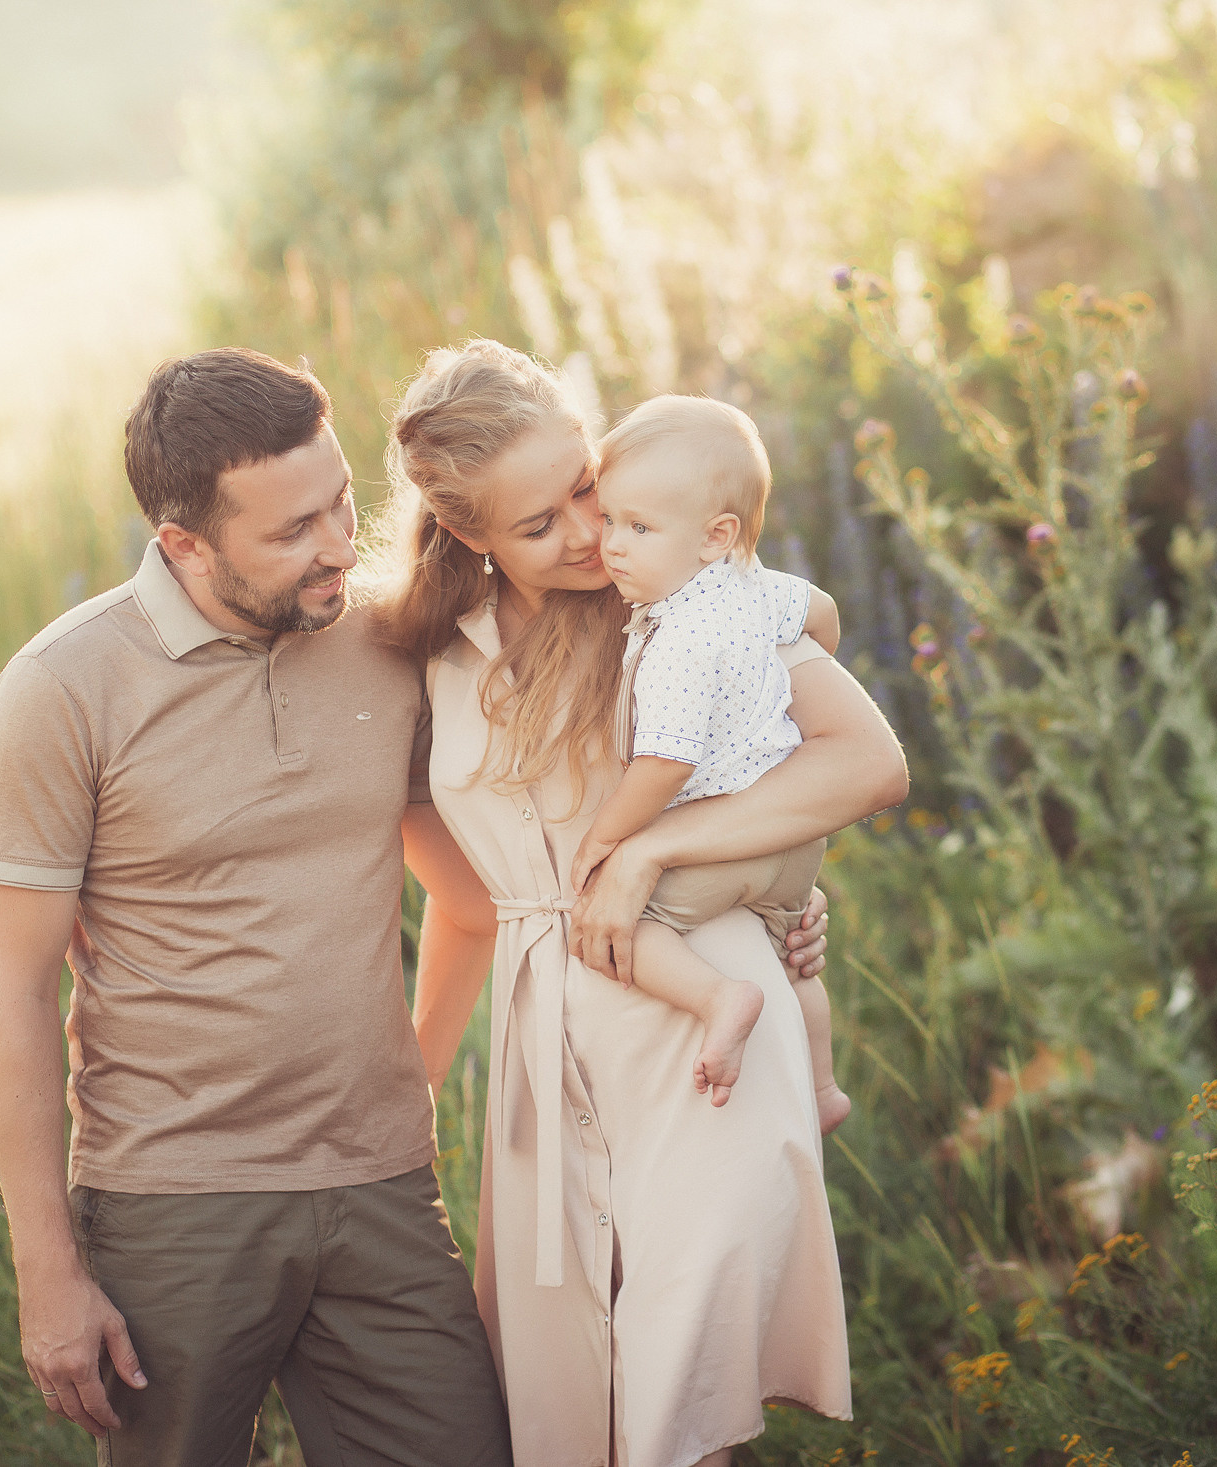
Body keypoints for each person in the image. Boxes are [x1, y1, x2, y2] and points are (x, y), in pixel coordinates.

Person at [0, 346, 513, 1467]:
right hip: (176, 1205)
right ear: (184, 544)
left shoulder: (382, 638)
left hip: (382, 1189)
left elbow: (479, 894)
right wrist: (48, 1273)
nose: (335, 549)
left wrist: (736, 901)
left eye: (340, 504)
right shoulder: (66, 687)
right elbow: (10, 993)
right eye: (289, 530)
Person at [377, 339, 908, 1467]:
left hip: (700, 1021)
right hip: (542, 1040)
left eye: (583, 486)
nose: (586, 533)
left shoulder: (682, 602)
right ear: (467, 535)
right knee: (570, 1396)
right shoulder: (419, 654)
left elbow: (863, 764)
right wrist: (408, 1084)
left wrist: (655, 852)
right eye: (538, 525)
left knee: (680, 1397)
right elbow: (464, 905)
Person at [572, 394, 854, 1128]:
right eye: (608, 519)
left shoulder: (678, 640)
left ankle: (718, 999)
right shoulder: (755, 591)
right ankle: (823, 1089)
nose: (611, 545)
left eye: (638, 526)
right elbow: (823, 612)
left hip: (722, 842)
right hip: (792, 838)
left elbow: (663, 766)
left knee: (635, 926)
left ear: (715, 535)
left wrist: (606, 839)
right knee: (796, 956)